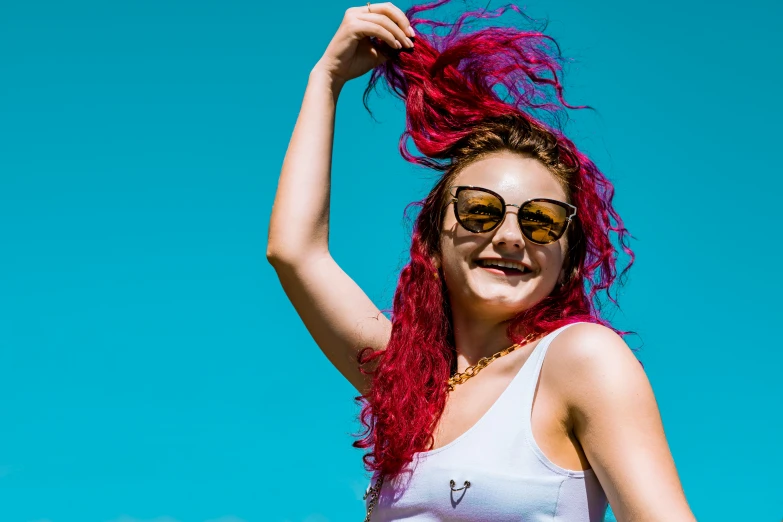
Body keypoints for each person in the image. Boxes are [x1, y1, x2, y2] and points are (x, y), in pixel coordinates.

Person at [267, 1, 697, 520]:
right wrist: (326, 79)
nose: (512, 236)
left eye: (541, 220)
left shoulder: (580, 360)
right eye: (480, 211)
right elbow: (293, 253)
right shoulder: (406, 382)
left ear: (570, 257)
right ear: (431, 239)